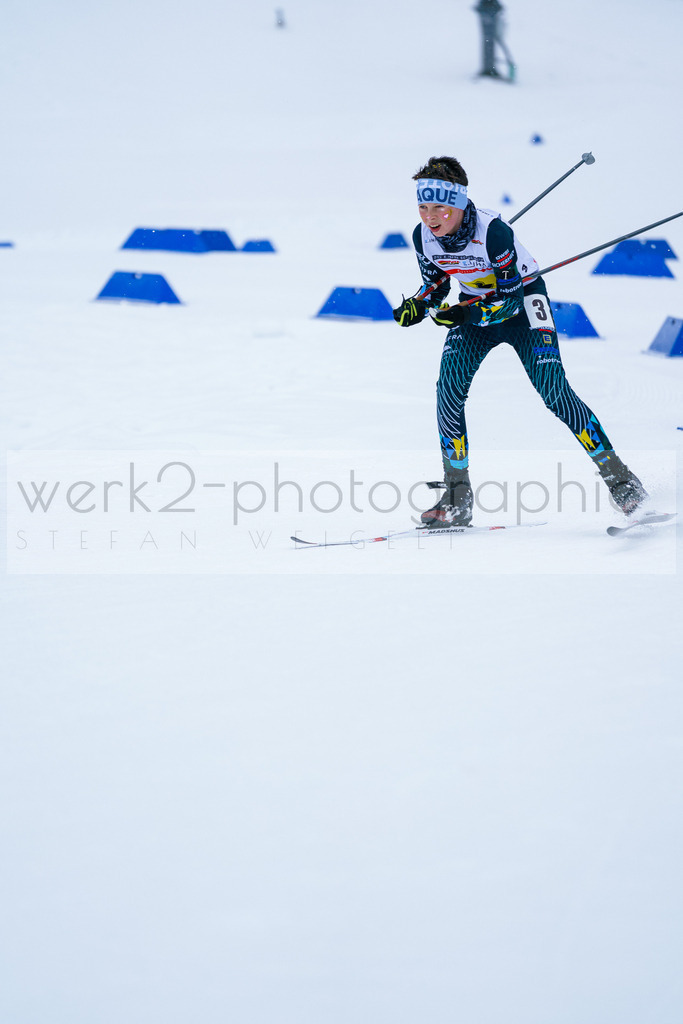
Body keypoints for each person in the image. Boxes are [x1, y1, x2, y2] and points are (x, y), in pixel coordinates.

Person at [392, 155, 647, 529]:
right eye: (423, 207)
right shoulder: (423, 237)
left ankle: (622, 481)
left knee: (554, 392)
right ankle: (457, 497)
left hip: (523, 306)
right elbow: (436, 284)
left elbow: (510, 302)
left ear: (459, 204)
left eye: (440, 209)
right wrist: (419, 304)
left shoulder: (494, 234)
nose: (430, 218)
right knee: (448, 391)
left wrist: (464, 315)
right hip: (474, 310)